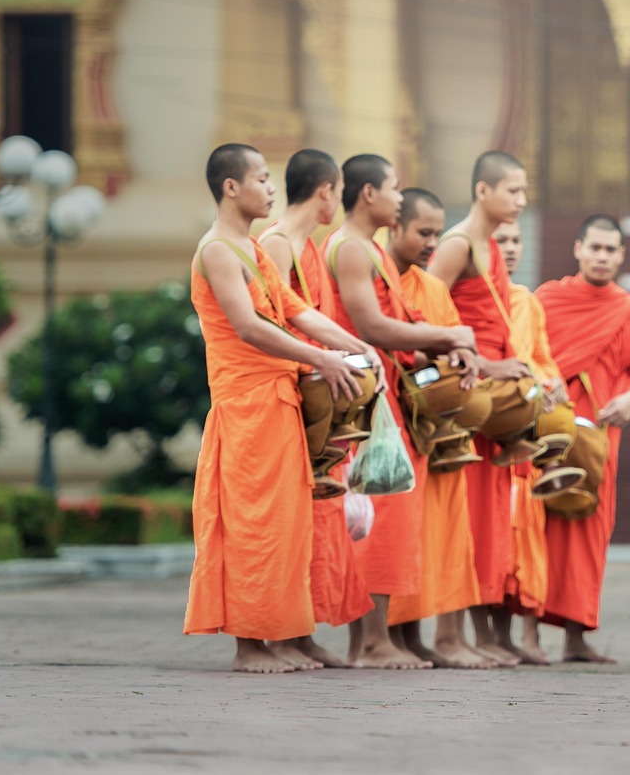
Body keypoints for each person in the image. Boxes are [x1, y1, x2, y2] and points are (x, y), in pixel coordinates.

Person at [184, 143, 381, 673]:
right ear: (231, 187)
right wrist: (323, 358)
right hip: (246, 405)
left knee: (289, 526)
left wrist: (359, 350)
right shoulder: (218, 251)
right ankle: (249, 646)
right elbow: (249, 327)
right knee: (252, 524)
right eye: (263, 179)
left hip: (279, 399)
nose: (272, 189)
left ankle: (287, 634)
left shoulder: (250, 247)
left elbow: (298, 312)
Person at [322, 153, 478, 669]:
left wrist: (442, 350)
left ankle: (373, 640)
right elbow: (371, 327)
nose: (397, 197)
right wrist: (448, 334)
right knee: (377, 517)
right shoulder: (349, 248)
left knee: (385, 518)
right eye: (393, 189)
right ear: (368, 194)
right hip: (366, 404)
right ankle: (370, 643)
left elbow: (396, 327)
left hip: (385, 397)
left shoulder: (369, 250)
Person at [256, 148, 374, 670]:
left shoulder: (310, 246)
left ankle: (302, 633)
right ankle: (278, 635)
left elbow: (309, 316)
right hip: (285, 394)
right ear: (326, 190)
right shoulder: (276, 244)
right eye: (338, 190)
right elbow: (273, 324)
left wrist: (356, 352)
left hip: (314, 392)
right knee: (285, 524)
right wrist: (323, 361)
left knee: (316, 526)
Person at [427, 150, 535, 666]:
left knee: (485, 522)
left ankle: (467, 634)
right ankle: (446, 637)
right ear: (482, 191)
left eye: (523, 190)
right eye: (513, 190)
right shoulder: (455, 244)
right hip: (465, 396)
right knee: (457, 519)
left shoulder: (489, 247)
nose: (522, 200)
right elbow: (424, 315)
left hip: (493, 404)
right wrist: (486, 368)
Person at [383, 187, 497, 669]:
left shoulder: (429, 286)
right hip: (394, 420)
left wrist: (465, 358)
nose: (433, 242)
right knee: (398, 531)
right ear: (394, 226)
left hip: (439, 428)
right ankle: (397, 638)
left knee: (446, 534)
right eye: (424, 232)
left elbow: (454, 334)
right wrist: (437, 349)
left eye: (437, 232)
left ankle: (436, 637)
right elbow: (376, 333)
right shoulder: (377, 275)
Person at [536, 215, 630, 663]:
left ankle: (575, 636)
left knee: (590, 528)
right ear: (578, 248)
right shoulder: (548, 299)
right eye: (595, 248)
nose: (602, 257)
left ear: (622, 255)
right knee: (539, 522)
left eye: (611, 250)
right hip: (550, 428)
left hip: (601, 435)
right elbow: (528, 354)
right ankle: (527, 634)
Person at [491, 219, 568, 665]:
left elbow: (541, 356)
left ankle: (531, 636)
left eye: (517, 240)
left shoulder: (527, 301)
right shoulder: (472, 294)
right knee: (497, 537)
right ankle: (496, 635)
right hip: (495, 431)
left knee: (530, 539)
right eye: (501, 241)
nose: (511, 248)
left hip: (530, 437)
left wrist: (552, 380)